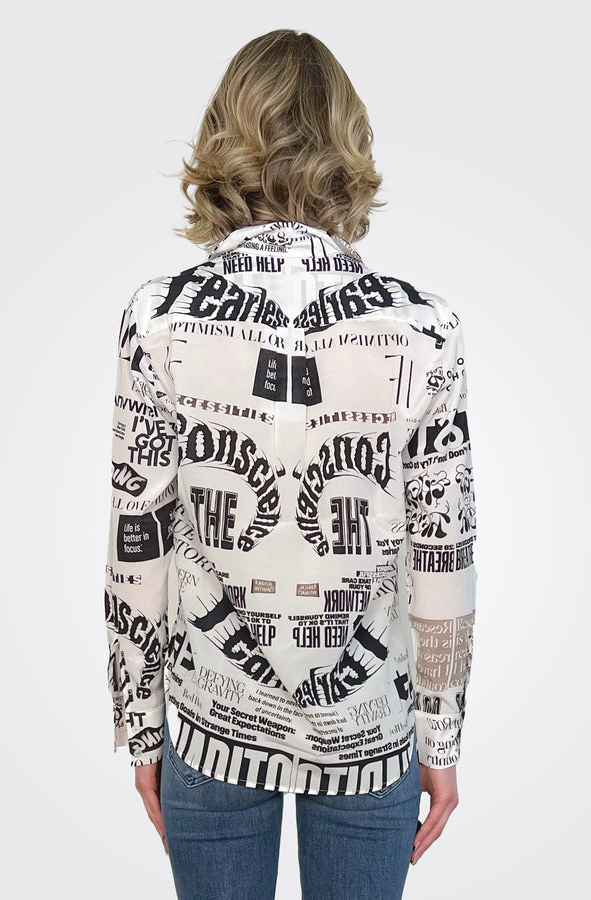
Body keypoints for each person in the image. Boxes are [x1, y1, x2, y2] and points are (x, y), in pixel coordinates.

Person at [103, 28, 477, 900]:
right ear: (347, 144)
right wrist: (443, 737)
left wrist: (141, 729)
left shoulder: (158, 318)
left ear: (223, 139)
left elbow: (137, 541)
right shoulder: (425, 330)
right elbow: (443, 553)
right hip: (369, 730)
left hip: (209, 726)